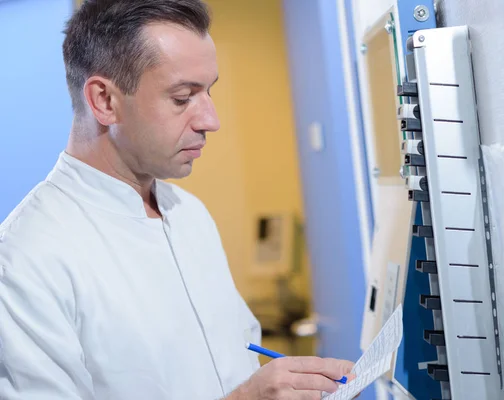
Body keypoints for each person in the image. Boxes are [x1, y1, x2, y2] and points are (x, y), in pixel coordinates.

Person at [0, 0, 354, 399]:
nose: (211, 121)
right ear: (104, 101)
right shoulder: (25, 259)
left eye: (209, 92)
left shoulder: (190, 215)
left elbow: (236, 357)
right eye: (183, 97)